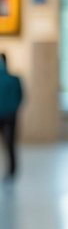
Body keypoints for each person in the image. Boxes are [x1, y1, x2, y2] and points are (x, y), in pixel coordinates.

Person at [0, 53, 22, 181]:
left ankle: (12, 171)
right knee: (10, 145)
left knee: (10, 145)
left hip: (9, 116)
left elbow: (20, 96)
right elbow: (21, 97)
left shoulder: (13, 79)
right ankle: (12, 172)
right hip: (10, 116)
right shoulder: (14, 79)